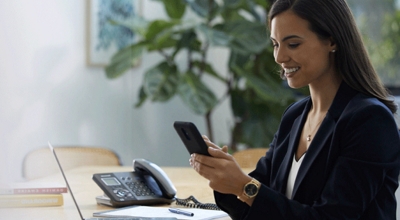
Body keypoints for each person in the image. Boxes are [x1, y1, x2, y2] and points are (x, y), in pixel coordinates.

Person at [189, 0, 400, 219]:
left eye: (293, 44)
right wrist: (225, 177)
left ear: (332, 40)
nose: (280, 58)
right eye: (275, 44)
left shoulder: (370, 121)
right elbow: (259, 207)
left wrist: (244, 186)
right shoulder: (295, 116)